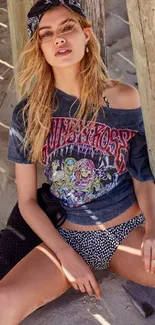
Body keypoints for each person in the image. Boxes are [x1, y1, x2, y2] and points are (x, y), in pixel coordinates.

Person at [1, 0, 155, 324]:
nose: (58, 38)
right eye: (47, 34)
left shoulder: (125, 99)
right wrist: (65, 255)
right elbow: (27, 202)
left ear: (87, 35)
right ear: (40, 48)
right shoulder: (28, 115)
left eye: (67, 28)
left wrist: (152, 228)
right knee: (4, 301)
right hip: (68, 235)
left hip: (127, 230)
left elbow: (143, 176)